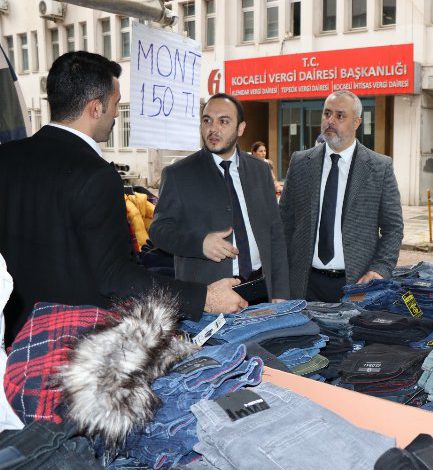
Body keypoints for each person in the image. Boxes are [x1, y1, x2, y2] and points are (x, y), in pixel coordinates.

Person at [0, 52, 245, 344]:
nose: (117, 114)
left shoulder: (6, 157)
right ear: (95, 108)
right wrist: (204, 297)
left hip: (13, 338)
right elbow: (116, 278)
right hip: (70, 350)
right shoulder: (96, 175)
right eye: (116, 104)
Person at [150, 94, 290, 301]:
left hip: (261, 290)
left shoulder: (260, 170)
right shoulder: (178, 174)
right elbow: (159, 231)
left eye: (223, 121)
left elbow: (275, 234)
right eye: (207, 120)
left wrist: (280, 293)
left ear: (240, 128)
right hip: (211, 296)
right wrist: (199, 244)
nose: (213, 129)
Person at [279, 91, 404, 302]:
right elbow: (284, 223)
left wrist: (380, 269)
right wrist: (279, 279)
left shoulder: (379, 167)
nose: (330, 121)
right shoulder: (301, 163)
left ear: (357, 122)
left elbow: (393, 228)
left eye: (340, 116)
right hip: (304, 284)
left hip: (356, 285)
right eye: (327, 114)